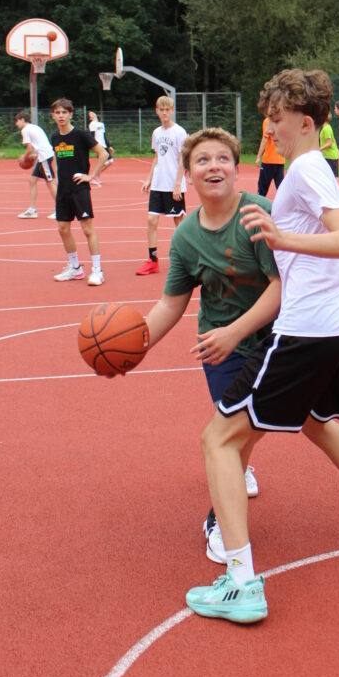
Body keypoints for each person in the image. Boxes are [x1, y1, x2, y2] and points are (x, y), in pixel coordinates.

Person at [185, 68, 339, 625]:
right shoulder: (317, 170)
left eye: (277, 118)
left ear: (306, 122)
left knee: (218, 439)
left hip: (308, 330)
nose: (270, 128)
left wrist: (280, 235)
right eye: (268, 118)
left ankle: (240, 582)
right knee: (318, 422)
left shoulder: (307, 168)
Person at [144, 128, 281, 556]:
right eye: (202, 160)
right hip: (221, 346)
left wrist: (237, 330)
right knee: (232, 429)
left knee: (260, 424)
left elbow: (281, 287)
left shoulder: (259, 213)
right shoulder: (185, 236)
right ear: (187, 175)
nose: (213, 166)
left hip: (274, 338)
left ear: (237, 169)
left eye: (223, 158)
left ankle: (238, 468)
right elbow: (171, 303)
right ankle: (222, 519)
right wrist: (136, 345)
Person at [50, 98, 109, 285]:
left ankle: (97, 271)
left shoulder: (81, 135)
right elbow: (58, 160)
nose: (61, 116)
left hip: (79, 188)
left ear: (70, 114)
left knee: (87, 229)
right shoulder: (55, 137)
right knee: (62, 228)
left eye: (64, 112)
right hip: (63, 190)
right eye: (57, 113)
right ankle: (75, 268)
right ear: (53, 116)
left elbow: (103, 154)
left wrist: (91, 176)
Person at [137, 96, 187, 275]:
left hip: (173, 184)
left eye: (167, 109)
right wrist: (149, 179)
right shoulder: (157, 132)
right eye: (161, 110)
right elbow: (157, 157)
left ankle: (187, 257)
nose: (164, 113)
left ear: (172, 110)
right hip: (158, 184)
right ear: (157, 111)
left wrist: (177, 184)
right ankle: (152, 260)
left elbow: (183, 160)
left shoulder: (180, 132)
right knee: (151, 220)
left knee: (179, 223)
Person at [14, 110, 57, 219]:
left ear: (22, 120)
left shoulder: (25, 130)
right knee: (32, 181)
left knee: (50, 183)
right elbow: (40, 143)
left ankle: (61, 209)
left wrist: (24, 157)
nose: (16, 124)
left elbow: (29, 148)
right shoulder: (35, 127)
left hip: (44, 157)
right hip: (43, 156)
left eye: (17, 121)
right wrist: (35, 155)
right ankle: (32, 210)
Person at [255, 116, 285, 197]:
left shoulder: (268, 121)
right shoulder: (282, 121)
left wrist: (258, 156)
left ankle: (259, 204)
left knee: (262, 190)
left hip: (269, 161)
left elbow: (265, 139)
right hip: (280, 160)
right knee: (281, 189)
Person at [87, 110, 114, 188]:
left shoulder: (101, 124)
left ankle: (94, 176)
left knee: (109, 162)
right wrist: (94, 146)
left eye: (93, 113)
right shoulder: (92, 124)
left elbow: (104, 136)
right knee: (107, 162)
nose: (92, 114)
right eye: (90, 114)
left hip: (104, 145)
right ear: (90, 118)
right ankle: (94, 177)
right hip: (98, 145)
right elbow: (92, 136)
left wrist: (109, 146)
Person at [319, 110, 339, 177]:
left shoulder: (326, 129)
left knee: (334, 177)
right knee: (329, 176)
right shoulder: (327, 127)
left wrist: (319, 149)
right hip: (329, 156)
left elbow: (329, 143)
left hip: (330, 156)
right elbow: (334, 140)